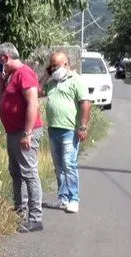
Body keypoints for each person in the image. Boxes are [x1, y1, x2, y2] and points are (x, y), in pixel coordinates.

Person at [0, 42, 44, 233]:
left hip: (24, 132)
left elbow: (33, 104)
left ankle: (35, 218)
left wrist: (28, 133)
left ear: (5, 58)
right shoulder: (10, 76)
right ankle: (19, 211)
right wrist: (0, 81)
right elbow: (2, 100)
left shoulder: (25, 73)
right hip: (13, 132)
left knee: (29, 174)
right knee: (15, 172)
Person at [39, 51, 91, 213]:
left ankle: (74, 198)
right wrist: (46, 74)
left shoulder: (76, 80)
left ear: (66, 64)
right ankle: (63, 198)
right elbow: (38, 91)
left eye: (56, 65)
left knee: (69, 164)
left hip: (69, 130)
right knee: (58, 166)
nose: (54, 68)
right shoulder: (52, 81)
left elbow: (85, 103)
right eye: (51, 65)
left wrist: (82, 126)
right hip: (53, 129)